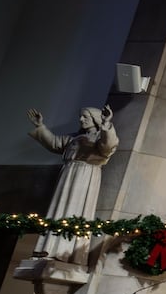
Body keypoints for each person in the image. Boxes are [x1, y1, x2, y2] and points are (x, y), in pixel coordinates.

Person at [26, 104, 119, 266]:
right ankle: (49, 248)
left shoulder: (99, 138)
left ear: (95, 120)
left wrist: (106, 125)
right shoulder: (74, 138)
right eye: (81, 116)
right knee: (59, 211)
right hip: (67, 175)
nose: (81, 119)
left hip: (84, 177)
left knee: (74, 211)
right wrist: (40, 126)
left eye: (85, 117)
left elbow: (108, 146)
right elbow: (55, 142)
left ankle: (67, 253)